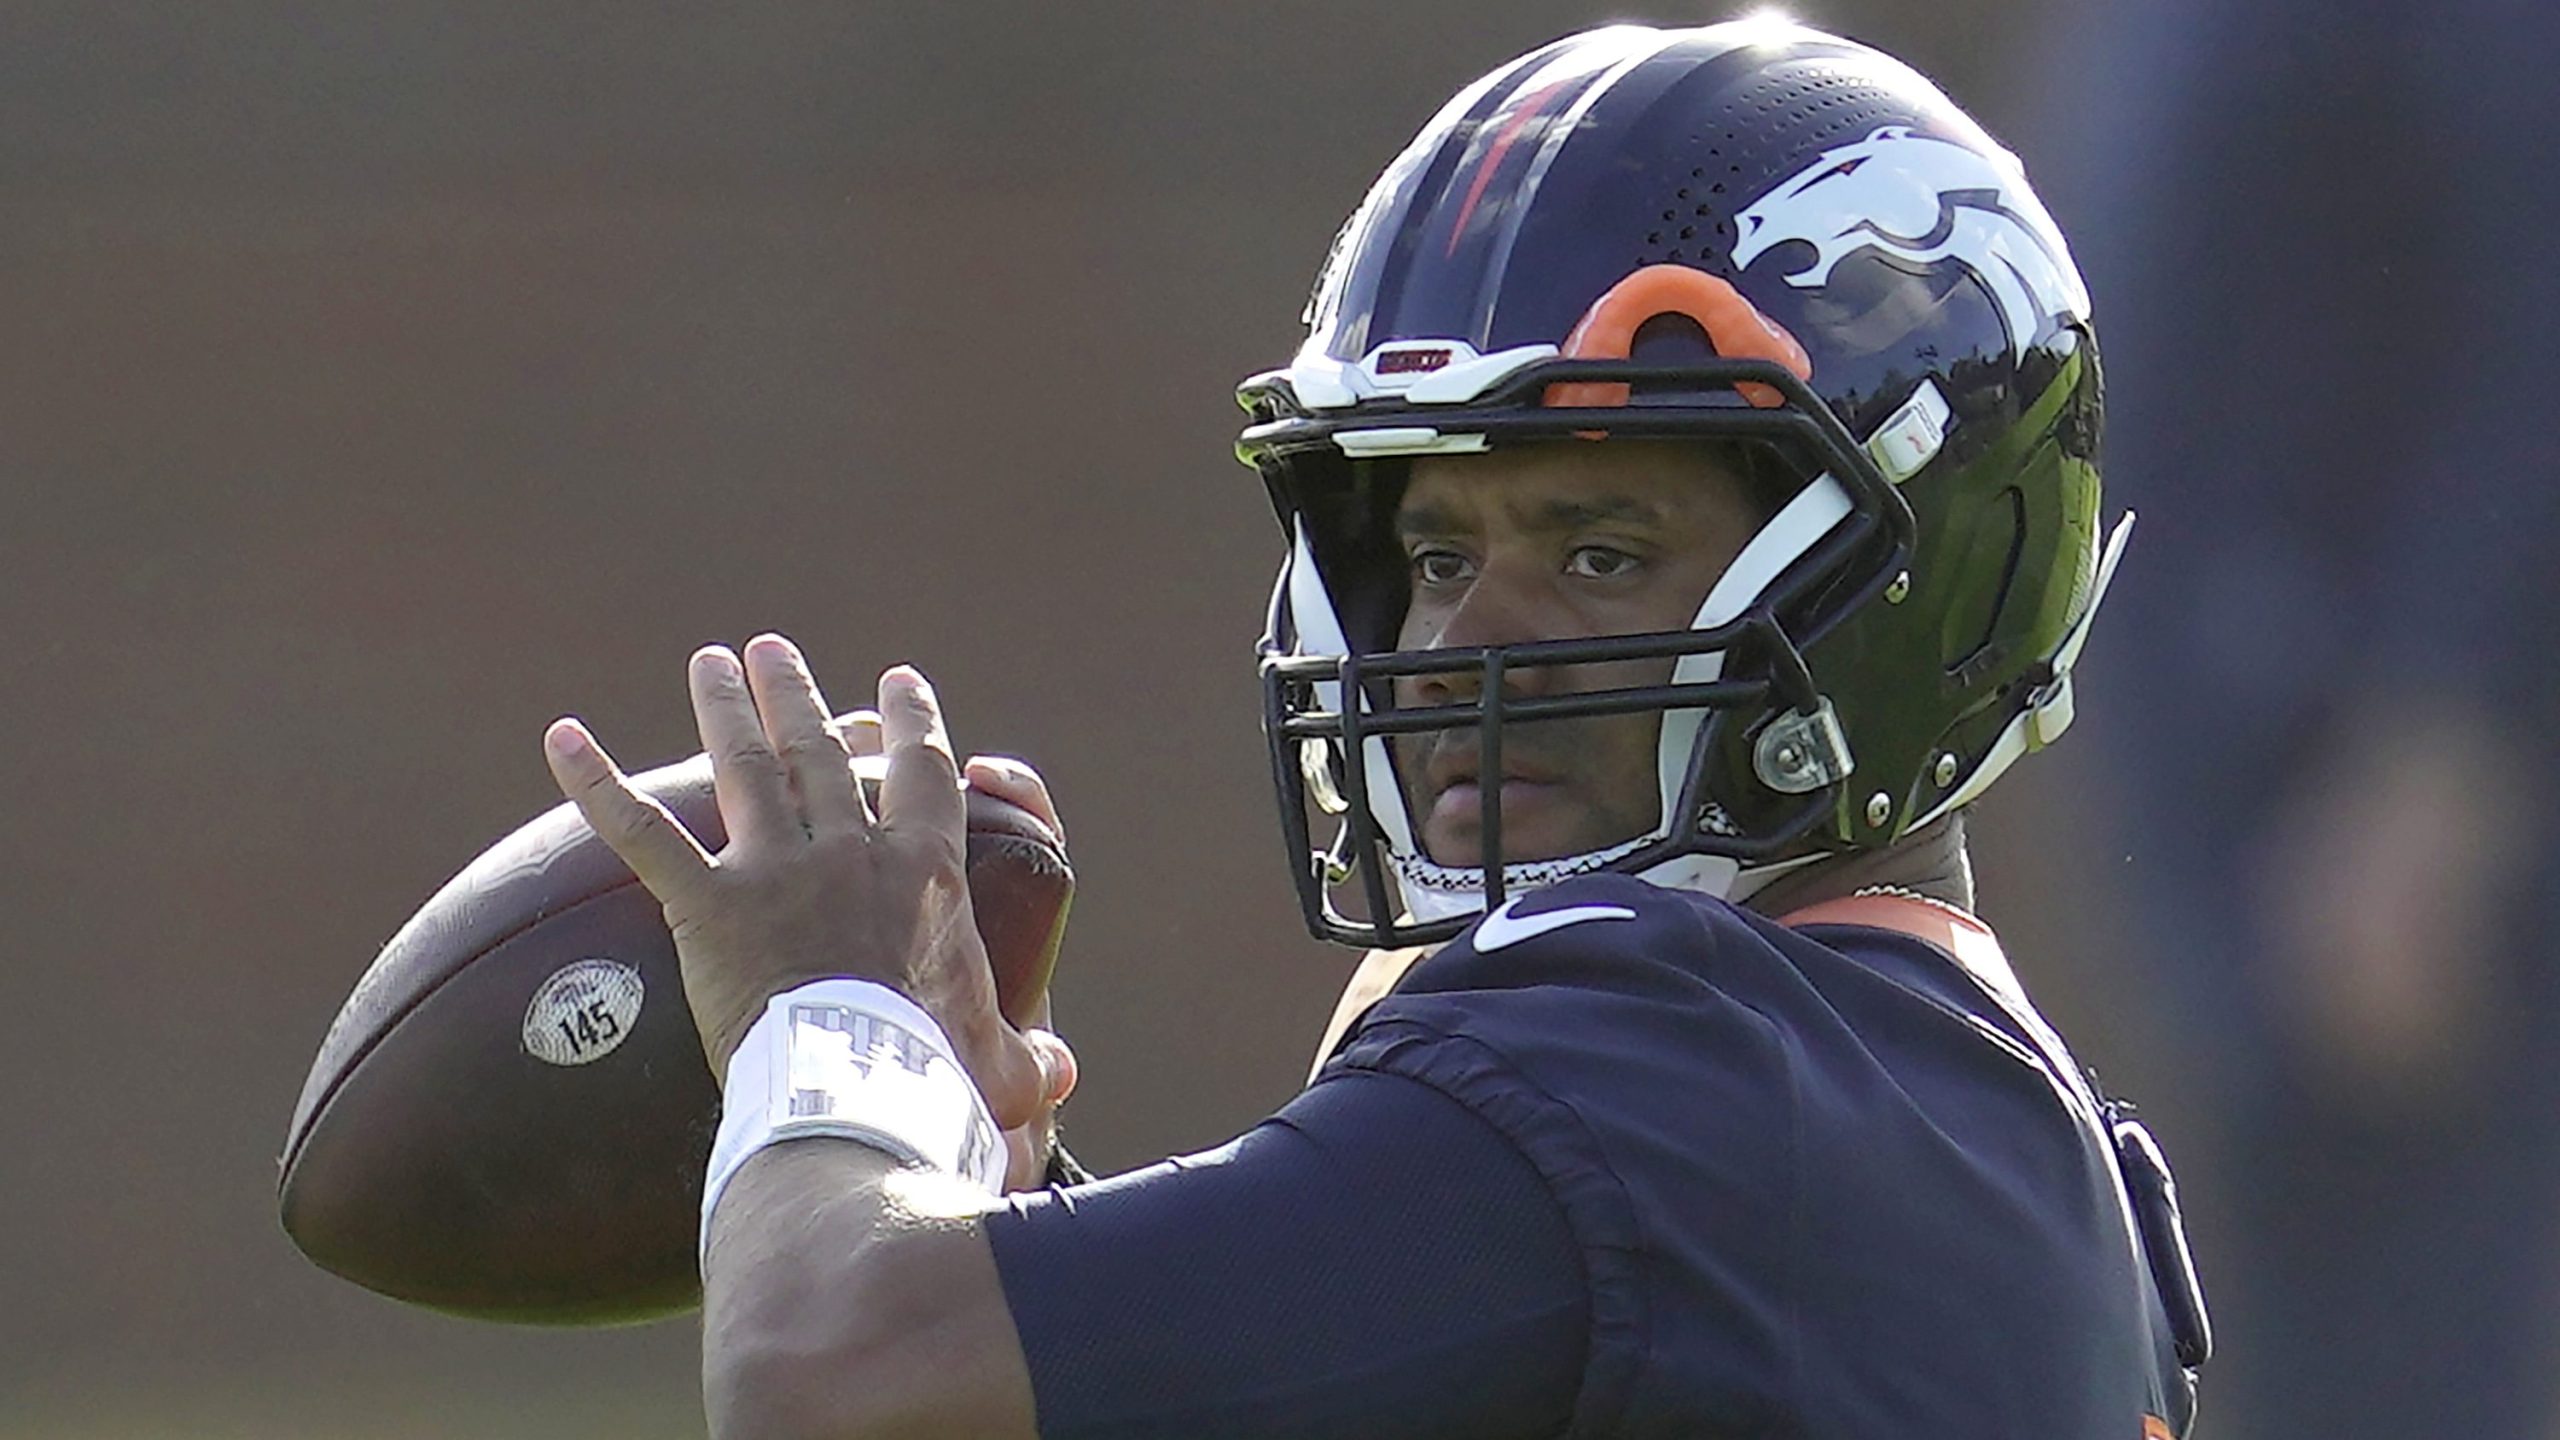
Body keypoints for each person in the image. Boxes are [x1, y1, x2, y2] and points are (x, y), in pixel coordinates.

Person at [542, 21, 2208, 1439]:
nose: (1460, 639)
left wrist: (829, 1021)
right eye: (1432, 555)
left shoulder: (1667, 1057)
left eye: (1600, 551)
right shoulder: (2002, 1142)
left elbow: (820, 1366)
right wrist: (1025, 1209)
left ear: (1911, 589)